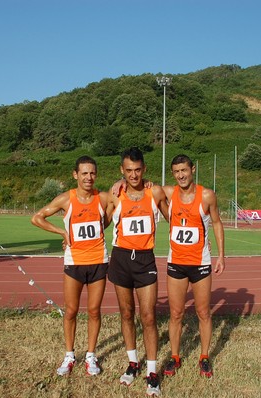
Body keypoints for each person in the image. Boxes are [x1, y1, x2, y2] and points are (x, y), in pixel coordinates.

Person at [31, 156, 112, 377]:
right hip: (74, 261)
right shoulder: (66, 199)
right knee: (71, 311)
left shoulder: (103, 198)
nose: (89, 177)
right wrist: (62, 232)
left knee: (94, 311)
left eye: (93, 173)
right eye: (84, 173)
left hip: (98, 261)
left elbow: (125, 198)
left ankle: (91, 355)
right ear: (75, 174)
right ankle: (69, 355)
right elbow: (37, 218)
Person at [107, 147, 168, 397]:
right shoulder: (114, 195)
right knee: (126, 313)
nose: (133, 175)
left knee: (149, 316)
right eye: (128, 171)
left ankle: (152, 372)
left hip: (145, 260)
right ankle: (133, 363)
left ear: (144, 169)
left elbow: (174, 218)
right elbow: (99, 223)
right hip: (120, 258)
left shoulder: (154, 192)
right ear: (122, 171)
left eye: (137, 170)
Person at [159, 154, 225, 378]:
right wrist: (120, 182)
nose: (181, 175)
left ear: (192, 170)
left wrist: (221, 256)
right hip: (176, 263)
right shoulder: (169, 193)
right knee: (176, 313)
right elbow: (145, 187)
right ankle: (175, 356)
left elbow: (216, 223)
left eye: (184, 170)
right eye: (176, 172)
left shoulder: (206, 195)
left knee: (203, 312)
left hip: (200, 262)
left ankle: (204, 357)